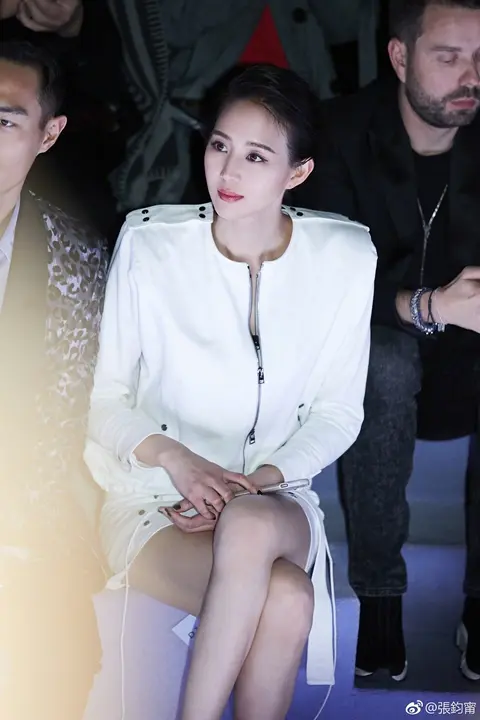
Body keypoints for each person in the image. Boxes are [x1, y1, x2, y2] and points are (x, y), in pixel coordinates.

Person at [83, 63, 377, 720]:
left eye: (256, 156)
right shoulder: (151, 243)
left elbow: (338, 414)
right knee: (288, 600)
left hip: (275, 499)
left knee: (247, 523)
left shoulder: (345, 257)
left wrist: (254, 483)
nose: (228, 170)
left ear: (297, 173)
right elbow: (104, 405)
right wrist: (181, 464)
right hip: (157, 502)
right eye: (220, 145)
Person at [293, 0, 480, 684]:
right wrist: (427, 305)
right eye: (449, 57)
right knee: (386, 361)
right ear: (399, 57)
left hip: (466, 357)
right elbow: (315, 280)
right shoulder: (338, 132)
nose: (471, 76)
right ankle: (379, 596)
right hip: (366, 350)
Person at [0, 41, 109, 719]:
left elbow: (61, 424)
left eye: (3, 120)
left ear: (49, 133)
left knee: (61, 656)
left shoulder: (77, 258)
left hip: (24, 514)